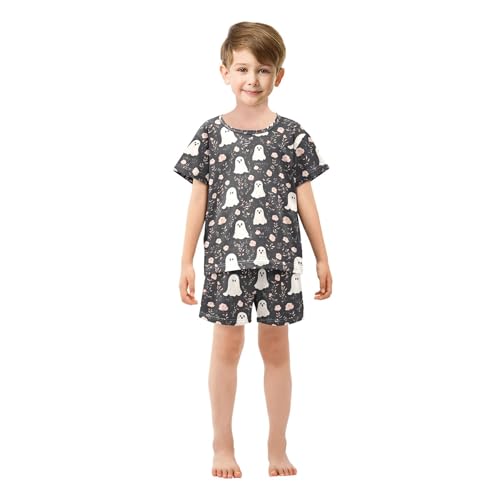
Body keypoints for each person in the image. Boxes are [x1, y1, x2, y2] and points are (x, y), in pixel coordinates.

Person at [173, 21, 333, 478]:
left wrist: (322, 256)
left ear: (278, 76)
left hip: (280, 262)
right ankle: (222, 445)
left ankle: (277, 446)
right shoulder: (209, 134)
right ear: (224, 71)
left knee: (277, 348)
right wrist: (185, 260)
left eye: (263, 70)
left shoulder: (292, 136)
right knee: (226, 346)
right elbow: (198, 201)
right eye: (243, 69)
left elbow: (306, 200)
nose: (253, 79)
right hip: (225, 263)